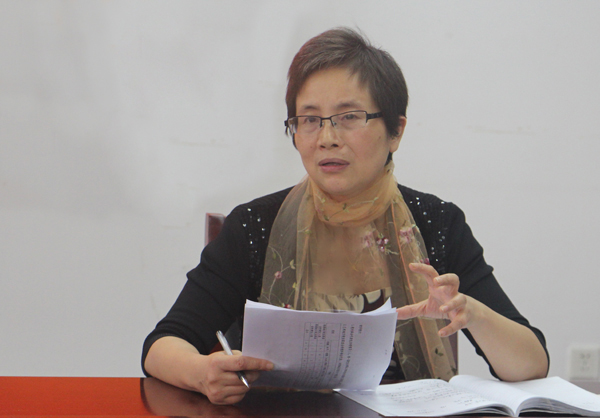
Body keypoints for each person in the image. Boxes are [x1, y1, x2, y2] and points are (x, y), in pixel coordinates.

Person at [142, 27, 549, 405]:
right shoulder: (255, 226)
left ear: (396, 131)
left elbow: (531, 365)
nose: (327, 138)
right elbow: (162, 345)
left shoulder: (437, 223)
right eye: (310, 119)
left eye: (349, 117)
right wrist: (201, 373)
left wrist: (472, 313)